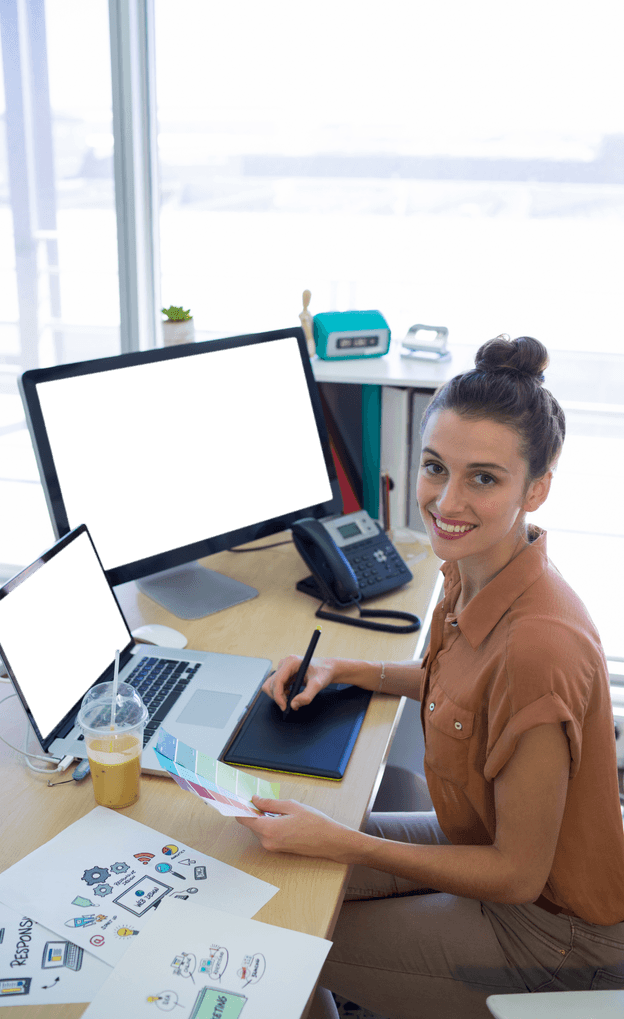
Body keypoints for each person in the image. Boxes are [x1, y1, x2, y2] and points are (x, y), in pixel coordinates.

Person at [237, 335, 624, 1019]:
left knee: (284, 925)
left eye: (484, 478)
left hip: (551, 930)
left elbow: (517, 872)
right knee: (268, 867)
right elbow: (456, 684)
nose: (446, 501)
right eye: (434, 467)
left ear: (536, 488)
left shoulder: (541, 645)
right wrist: (342, 668)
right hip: (476, 836)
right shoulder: (479, 569)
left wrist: (344, 839)